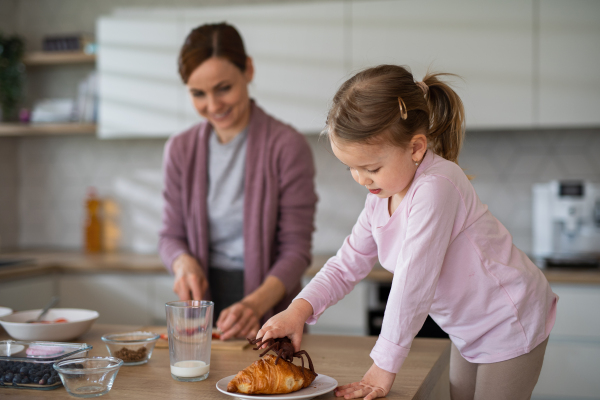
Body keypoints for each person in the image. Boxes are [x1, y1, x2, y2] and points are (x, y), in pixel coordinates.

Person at [256, 65, 558, 400]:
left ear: (415, 148)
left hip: (508, 317)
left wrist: (384, 367)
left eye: (371, 168)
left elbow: (414, 281)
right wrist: (297, 311)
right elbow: (346, 264)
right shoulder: (381, 196)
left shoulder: (436, 186)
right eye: (351, 168)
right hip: (469, 329)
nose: (360, 179)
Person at [159, 23, 317, 341]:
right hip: (203, 308)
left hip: (271, 307)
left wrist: (254, 305)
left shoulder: (287, 146)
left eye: (223, 88)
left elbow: (296, 250)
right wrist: (182, 262)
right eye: (198, 94)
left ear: (248, 69)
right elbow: (170, 235)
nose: (213, 105)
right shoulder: (180, 149)